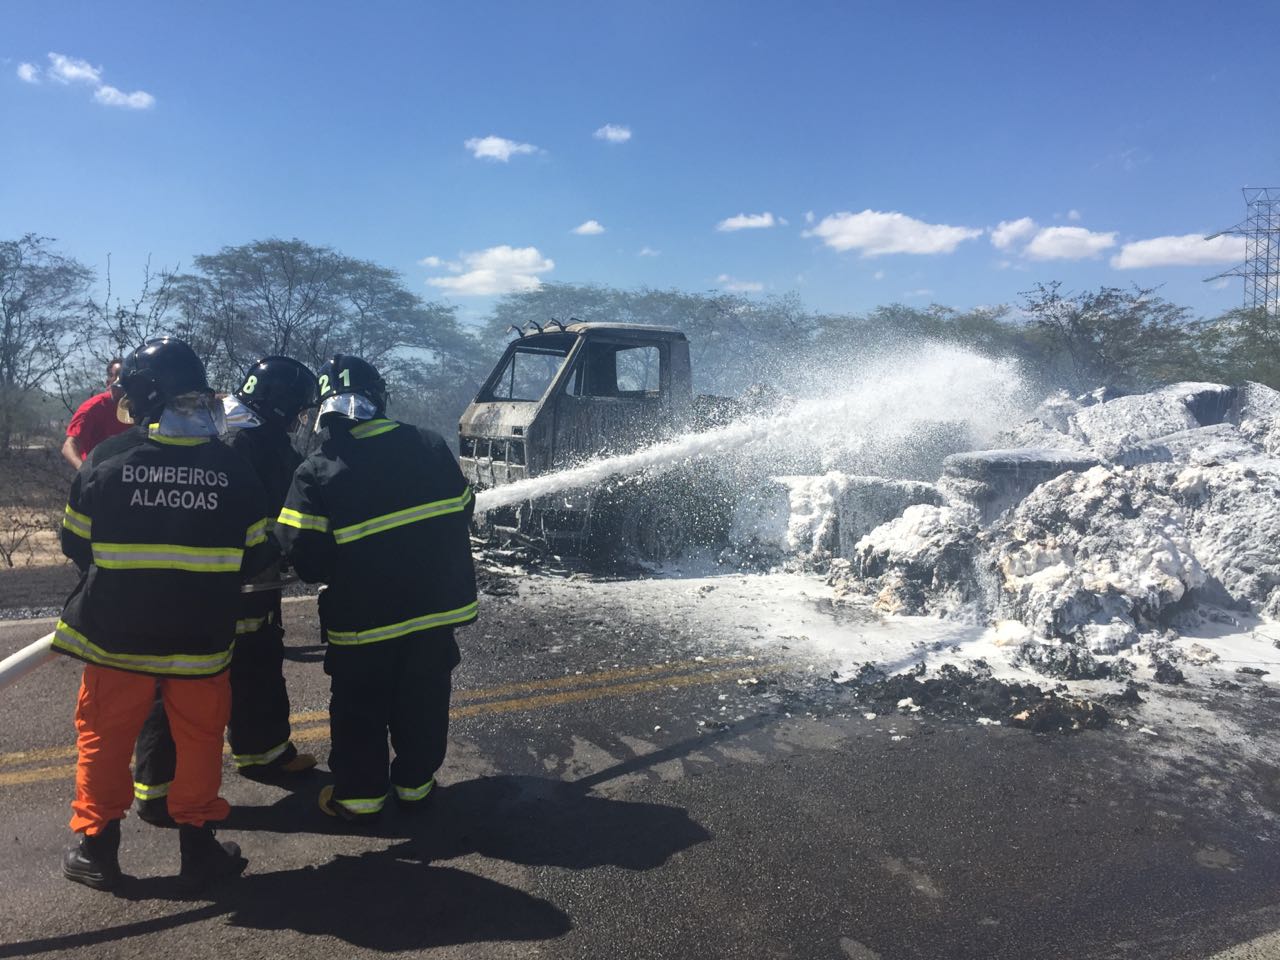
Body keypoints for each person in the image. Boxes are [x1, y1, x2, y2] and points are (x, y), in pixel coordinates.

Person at [55, 337, 275, 891]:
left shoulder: (107, 459)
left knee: (104, 739)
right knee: (200, 740)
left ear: (143, 397)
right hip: (200, 640)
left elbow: (75, 543)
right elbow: (259, 553)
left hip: (115, 637)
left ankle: (97, 851)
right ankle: (199, 851)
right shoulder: (232, 468)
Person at [275, 354, 477, 823]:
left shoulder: (316, 471)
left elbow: (306, 558)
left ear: (327, 411)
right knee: (423, 704)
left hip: (364, 624)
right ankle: (415, 788)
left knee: (360, 712)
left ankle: (359, 799)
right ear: (378, 400)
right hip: (432, 615)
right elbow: (462, 509)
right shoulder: (428, 445)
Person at [132, 357, 321, 825]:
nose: (298, 419)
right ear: (279, 404)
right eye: (296, 409)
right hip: (220, 583)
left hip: (251, 582)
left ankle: (264, 752)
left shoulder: (249, 432)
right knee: (185, 685)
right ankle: (158, 790)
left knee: (259, 662)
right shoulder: (240, 440)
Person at [61, 358, 130, 469]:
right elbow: (69, 446)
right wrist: (85, 475)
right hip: (99, 475)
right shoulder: (94, 407)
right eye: (117, 376)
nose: (121, 382)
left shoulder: (141, 406)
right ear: (108, 383)